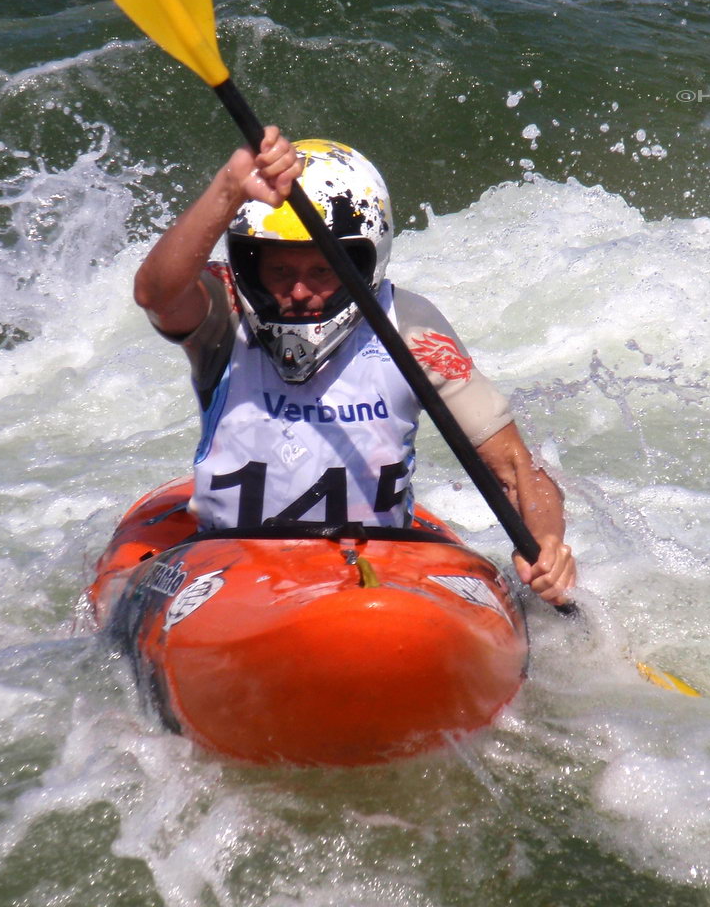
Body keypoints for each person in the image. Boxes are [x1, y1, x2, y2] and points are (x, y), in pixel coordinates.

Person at [133, 128, 575, 606]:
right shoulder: (223, 312)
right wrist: (229, 188)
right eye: (280, 272)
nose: (299, 292)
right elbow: (156, 294)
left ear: (363, 263)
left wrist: (547, 543)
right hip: (231, 567)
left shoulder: (409, 328)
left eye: (321, 272)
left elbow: (515, 468)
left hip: (375, 571)